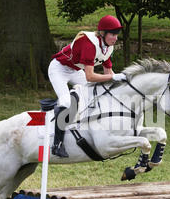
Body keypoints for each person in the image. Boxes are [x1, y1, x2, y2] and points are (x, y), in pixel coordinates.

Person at [48, 15, 126, 158]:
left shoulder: (107, 47)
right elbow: (90, 76)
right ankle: (57, 144)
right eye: (113, 34)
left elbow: (108, 72)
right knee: (65, 102)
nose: (115, 38)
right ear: (102, 33)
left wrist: (121, 83)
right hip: (59, 69)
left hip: (75, 71)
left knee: (99, 90)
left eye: (117, 35)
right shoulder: (89, 44)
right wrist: (114, 77)